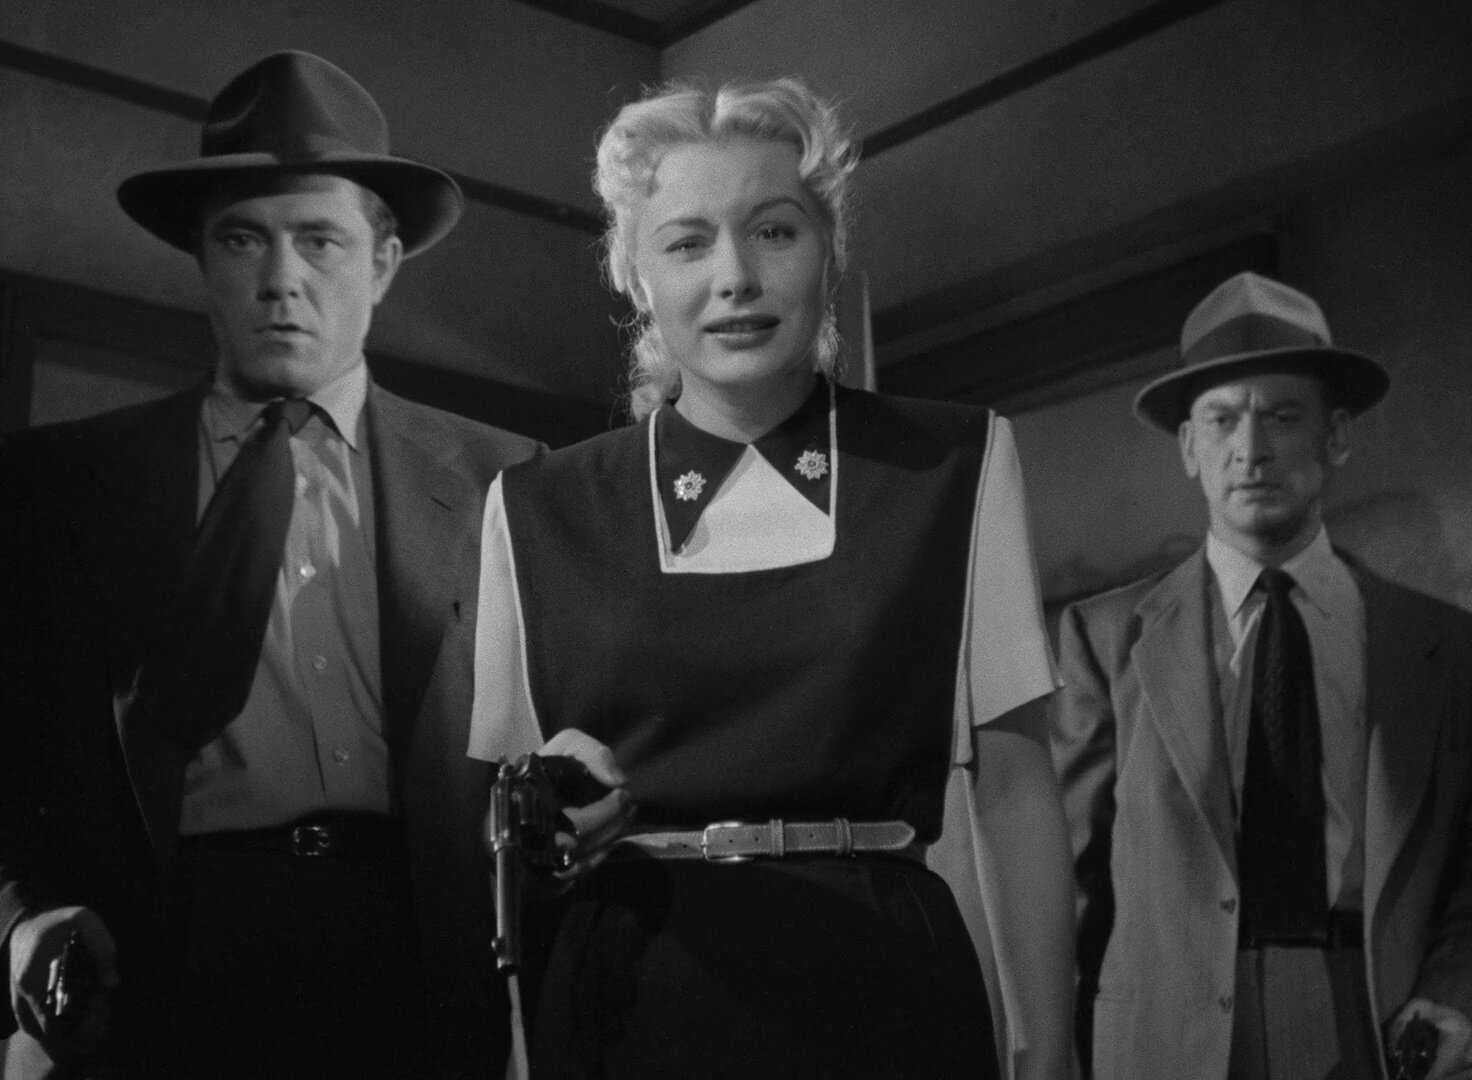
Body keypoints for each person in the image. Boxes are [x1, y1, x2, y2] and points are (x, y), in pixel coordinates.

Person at [468, 78, 1074, 1078]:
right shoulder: (535, 509)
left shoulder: (953, 465)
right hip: (633, 995)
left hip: (886, 991)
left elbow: (1013, 788)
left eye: (774, 232)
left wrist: (1048, 1054)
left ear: (828, 253)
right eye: (686, 244)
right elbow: (504, 830)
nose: (736, 278)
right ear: (634, 278)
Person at [0, 51, 540, 1077]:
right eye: (243, 238)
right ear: (202, 260)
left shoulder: (504, 480)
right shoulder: (57, 486)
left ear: (383, 262)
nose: (281, 278)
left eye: (320, 241)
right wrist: (19, 917)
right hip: (162, 962)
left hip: (420, 965)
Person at [1052, 271, 1472, 1079]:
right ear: (1189, 447)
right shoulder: (1104, 640)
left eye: (1283, 415)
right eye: (1223, 420)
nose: (1251, 450)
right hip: (1164, 1041)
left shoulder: (1441, 647)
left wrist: (1454, 990)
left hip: (1372, 1021)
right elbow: (1066, 890)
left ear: (1336, 435)